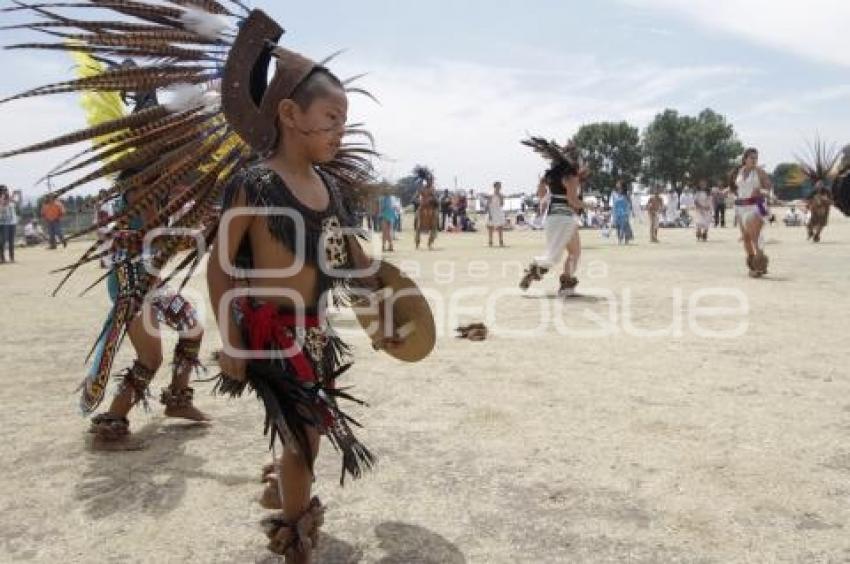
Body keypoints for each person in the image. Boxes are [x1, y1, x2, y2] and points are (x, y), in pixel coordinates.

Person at [519, 136, 586, 297]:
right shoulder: (571, 174)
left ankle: (536, 270)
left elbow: (540, 193)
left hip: (551, 218)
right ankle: (565, 285)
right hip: (566, 218)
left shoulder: (550, 174)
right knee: (573, 253)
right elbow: (572, 200)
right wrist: (588, 205)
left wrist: (546, 199)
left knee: (554, 252)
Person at [730, 147, 772, 277]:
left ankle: (760, 263)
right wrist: (725, 191)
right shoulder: (739, 172)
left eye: (756, 158)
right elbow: (737, 187)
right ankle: (752, 262)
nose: (754, 160)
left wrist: (761, 191)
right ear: (745, 159)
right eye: (751, 158)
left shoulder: (759, 172)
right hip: (740, 207)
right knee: (746, 238)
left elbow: (768, 188)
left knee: (755, 235)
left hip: (756, 206)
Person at [413, 166, 439, 249]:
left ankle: (430, 243)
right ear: (427, 181)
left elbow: (436, 199)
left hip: (431, 208)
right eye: (430, 180)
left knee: (435, 224)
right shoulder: (421, 189)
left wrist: (433, 199)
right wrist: (419, 201)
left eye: (431, 181)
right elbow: (415, 197)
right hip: (422, 207)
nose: (431, 182)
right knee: (418, 225)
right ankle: (417, 242)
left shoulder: (433, 189)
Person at [0, 186, 19, 263]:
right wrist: (10, 196)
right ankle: (2, 258)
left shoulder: (10, 199)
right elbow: (3, 204)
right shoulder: (2, 200)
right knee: (3, 241)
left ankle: (12, 258)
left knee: (11, 241)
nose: (5, 192)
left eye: (6, 190)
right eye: (3, 190)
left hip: (12, 222)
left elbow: (17, 202)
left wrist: (13, 197)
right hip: (3, 223)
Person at [486, 181, 506, 247]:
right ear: (495, 186)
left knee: (500, 227)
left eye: (500, 186)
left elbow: (502, 204)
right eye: (498, 186)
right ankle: (490, 241)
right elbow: (488, 205)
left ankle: (501, 241)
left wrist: (500, 197)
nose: (499, 187)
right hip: (492, 211)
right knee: (490, 227)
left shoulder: (501, 195)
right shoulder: (490, 194)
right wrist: (489, 214)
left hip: (499, 211)